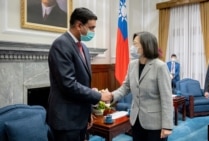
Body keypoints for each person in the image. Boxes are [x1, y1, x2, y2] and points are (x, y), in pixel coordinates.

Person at [47, 7, 112, 141]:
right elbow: (68, 84)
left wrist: (88, 112)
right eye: (91, 28)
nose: (93, 32)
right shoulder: (60, 45)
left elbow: (82, 82)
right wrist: (99, 96)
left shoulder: (84, 48)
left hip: (80, 117)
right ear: (79, 25)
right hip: (66, 120)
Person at [110, 31, 173, 141]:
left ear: (146, 45)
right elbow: (125, 87)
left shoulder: (160, 67)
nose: (132, 47)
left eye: (135, 44)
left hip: (155, 124)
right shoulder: (132, 65)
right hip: (136, 120)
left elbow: (166, 98)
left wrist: (167, 125)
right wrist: (111, 96)